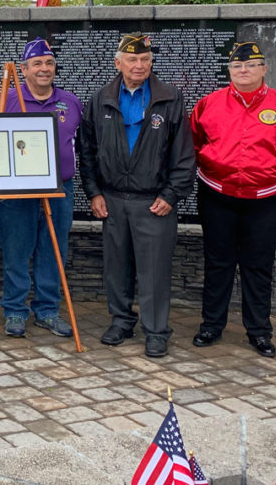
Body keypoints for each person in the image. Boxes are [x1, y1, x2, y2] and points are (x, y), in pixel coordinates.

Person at [189, 41, 276, 358]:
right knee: (218, 263)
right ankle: (212, 325)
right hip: (217, 196)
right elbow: (195, 141)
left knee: (258, 265)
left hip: (265, 200)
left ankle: (259, 331)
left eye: (251, 65)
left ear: (264, 69)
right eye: (237, 66)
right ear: (229, 70)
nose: (244, 70)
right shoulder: (209, 104)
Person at [78, 32, 195, 358]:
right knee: (116, 268)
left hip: (154, 201)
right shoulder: (100, 98)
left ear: (151, 62)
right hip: (113, 200)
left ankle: (156, 331)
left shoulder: (170, 98)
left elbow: (184, 155)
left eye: (144, 59)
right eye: (132, 59)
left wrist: (171, 195)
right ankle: (121, 321)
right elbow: (86, 151)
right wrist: (94, 193)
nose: (139, 65)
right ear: (119, 63)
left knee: (154, 271)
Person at [0, 38, 83, 338]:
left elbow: (83, 146)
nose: (44, 69)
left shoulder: (71, 102)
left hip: (60, 190)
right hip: (17, 193)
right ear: (25, 69)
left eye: (49, 63)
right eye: (37, 63)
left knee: (53, 251)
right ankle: (15, 311)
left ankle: (47, 311)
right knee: (16, 252)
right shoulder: (7, 100)